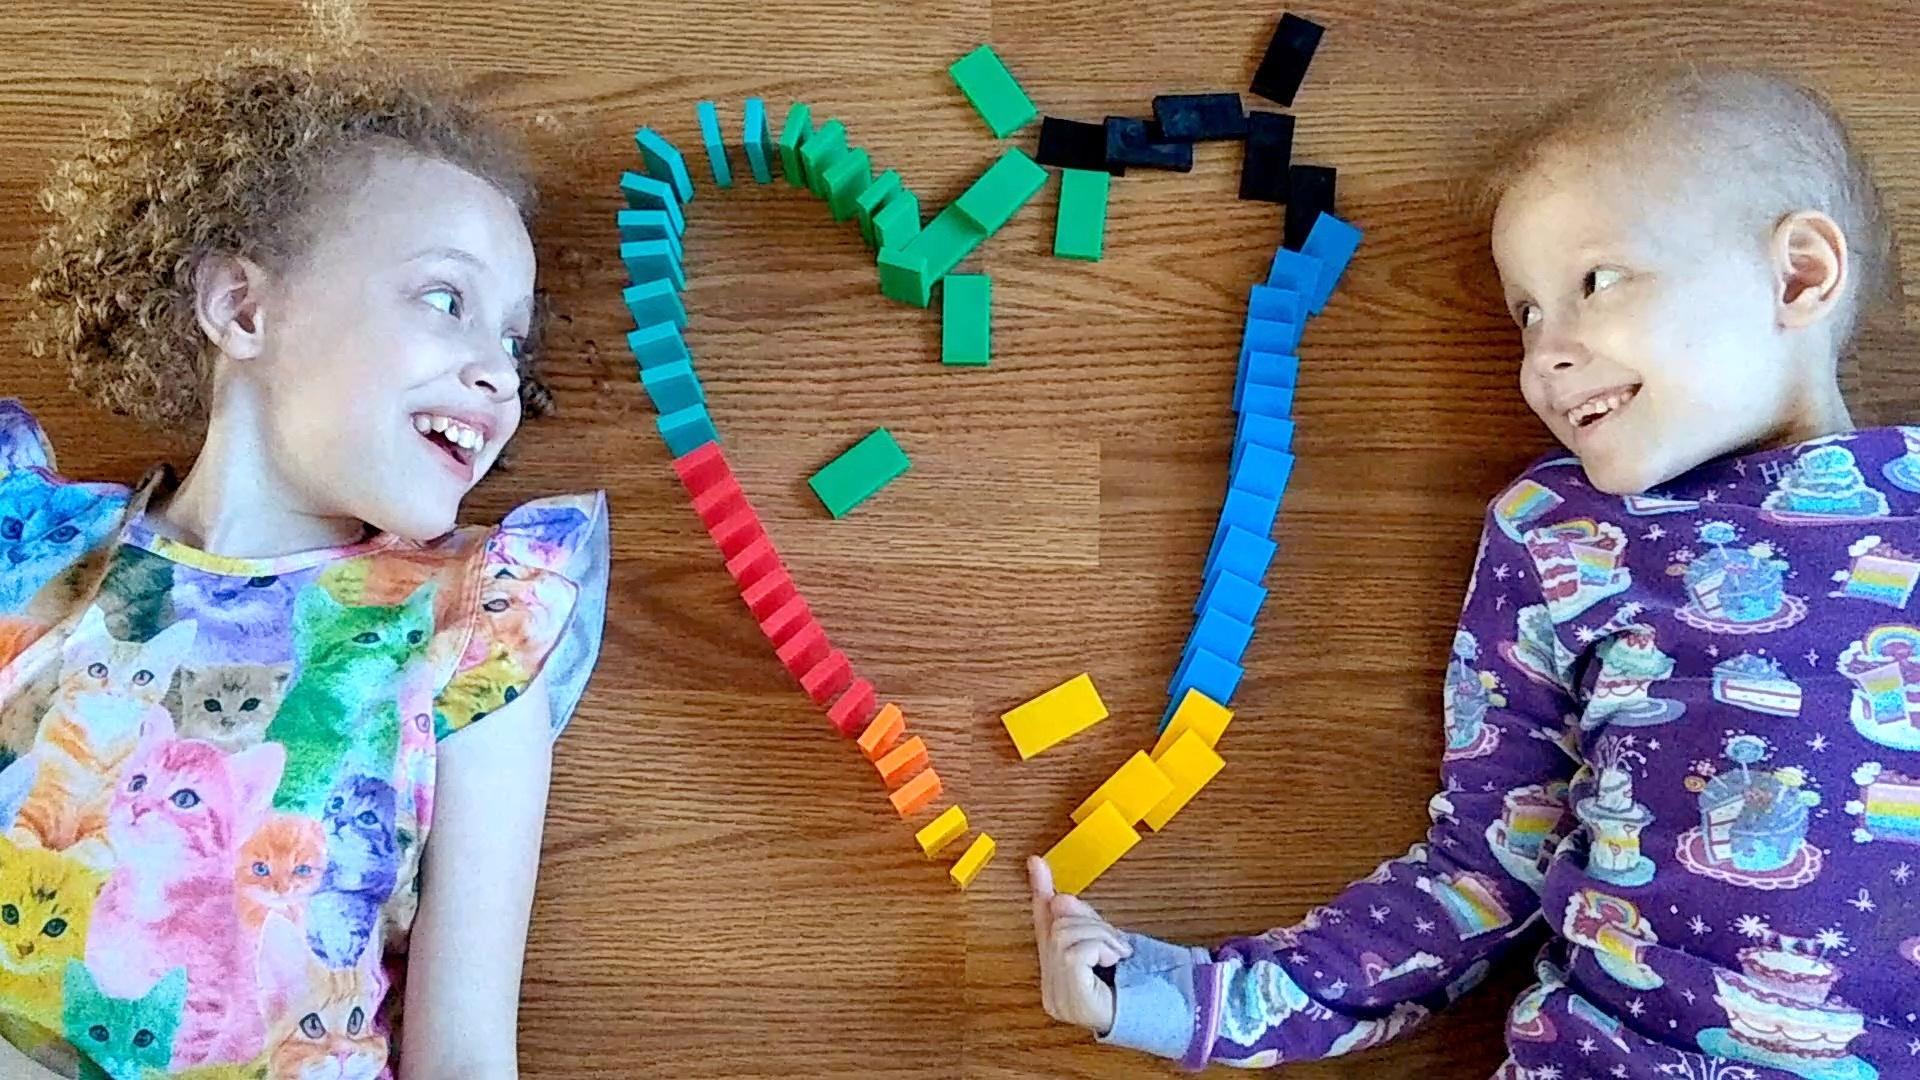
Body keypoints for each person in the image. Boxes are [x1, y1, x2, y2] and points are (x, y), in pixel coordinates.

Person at [1032, 67, 1918, 1077]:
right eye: (1524, 315)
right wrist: (1192, 1000)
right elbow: (1482, 874)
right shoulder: (1561, 532)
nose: (1545, 355)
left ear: (1798, 276)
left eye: (1593, 283)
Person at [0, 48, 606, 1079]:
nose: (500, 372)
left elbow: (463, 1056)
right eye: (447, 301)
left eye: (514, 340)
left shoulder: (476, 632)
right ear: (244, 309)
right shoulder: (31, 560)